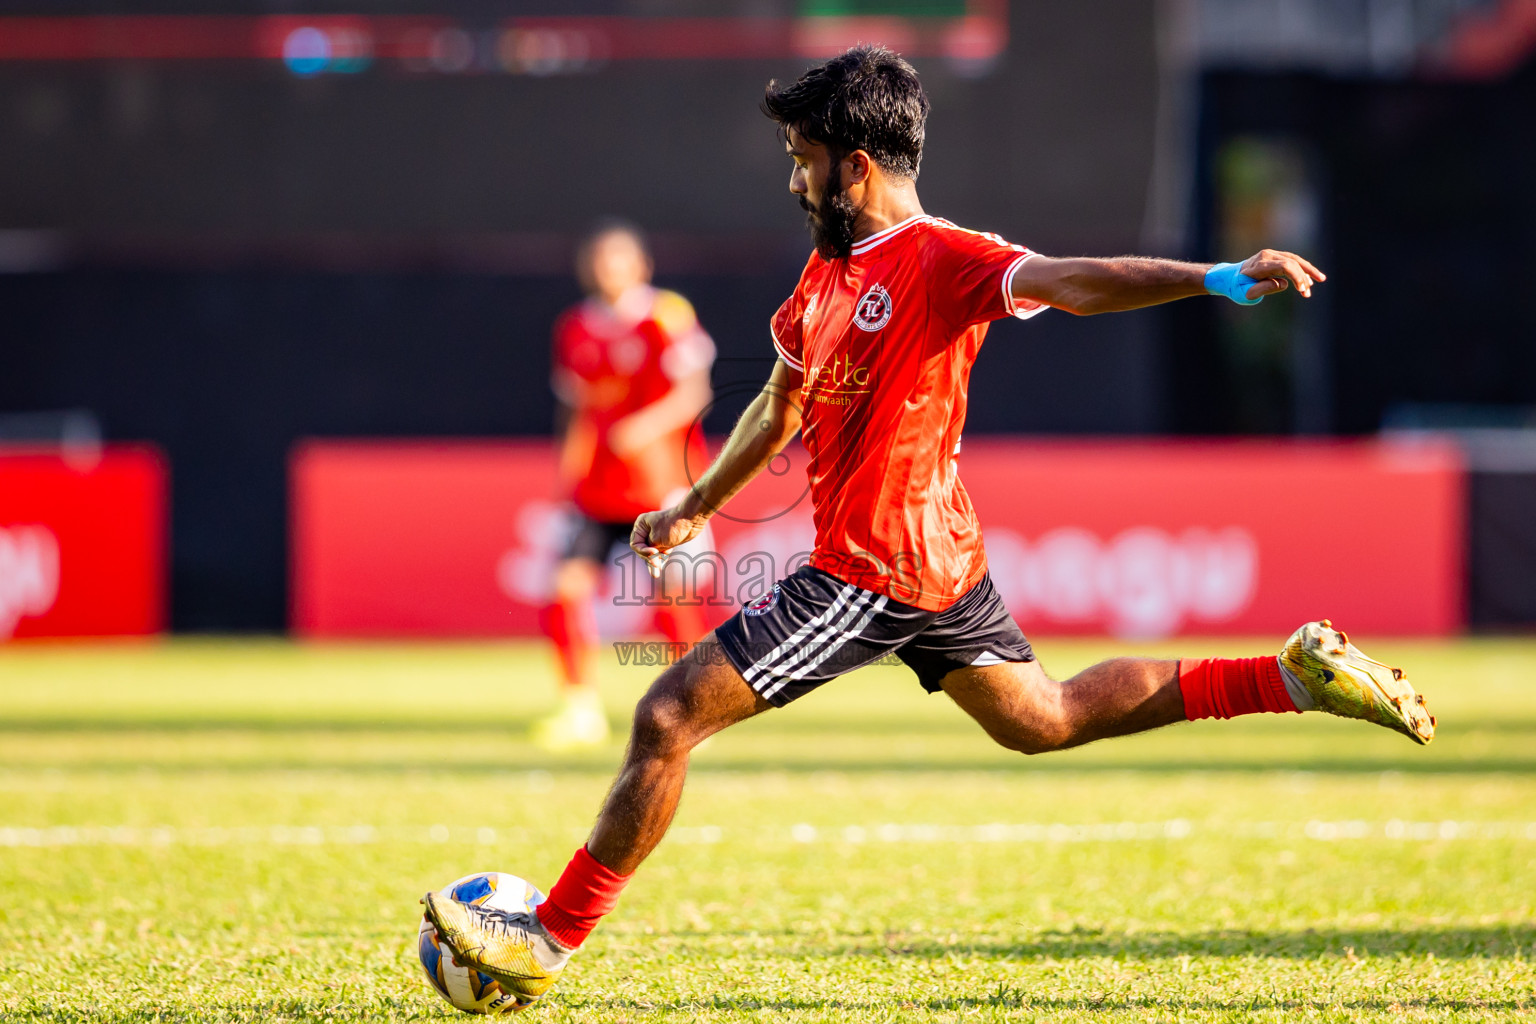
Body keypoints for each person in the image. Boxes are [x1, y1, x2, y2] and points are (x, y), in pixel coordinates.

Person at [427, 47, 1435, 1000]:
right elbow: (779, 406)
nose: (793, 181)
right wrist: (694, 502)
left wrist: (1211, 277)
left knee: (665, 713)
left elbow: (1072, 280)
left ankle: (547, 936)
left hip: (872, 569)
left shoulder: (943, 256)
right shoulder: (826, 274)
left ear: (854, 166)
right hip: (935, 562)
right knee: (1049, 718)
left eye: (803, 161)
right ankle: (1291, 676)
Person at [532, 221, 716, 750]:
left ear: (641, 266)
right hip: (598, 490)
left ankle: (695, 708)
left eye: (619, 260)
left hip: (662, 486)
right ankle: (578, 707)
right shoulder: (575, 328)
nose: (608, 270)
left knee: (673, 598)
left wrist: (646, 427)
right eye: (600, 260)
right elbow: (573, 409)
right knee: (564, 588)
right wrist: (566, 475)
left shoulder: (667, 316)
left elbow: (693, 392)